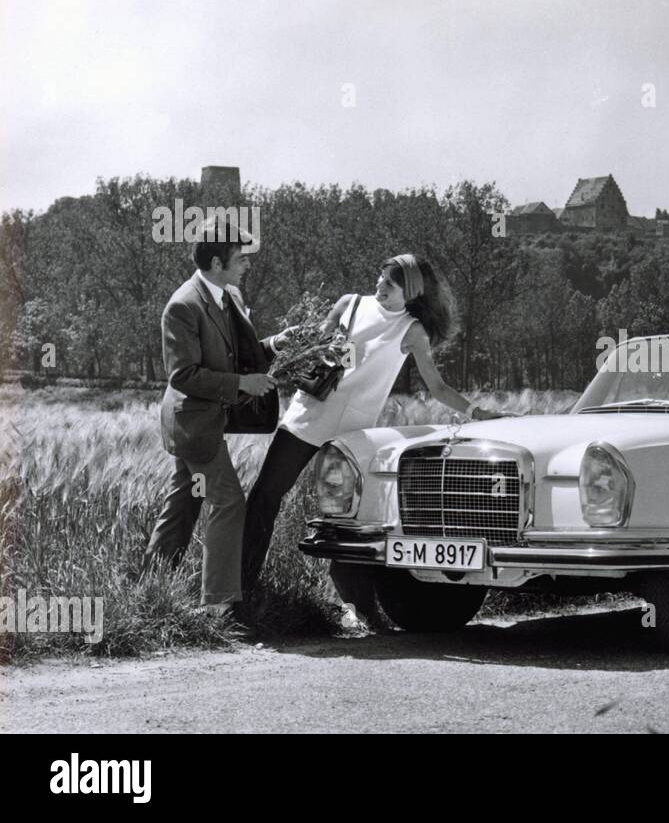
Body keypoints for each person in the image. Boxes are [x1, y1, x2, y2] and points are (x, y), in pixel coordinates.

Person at [240, 253, 506, 626]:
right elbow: (315, 346)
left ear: (410, 292)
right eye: (379, 279)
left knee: (353, 520)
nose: (379, 287)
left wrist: (478, 414)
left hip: (353, 434)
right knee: (265, 497)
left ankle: (360, 607)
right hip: (307, 416)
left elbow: (437, 387)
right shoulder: (349, 304)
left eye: (390, 284)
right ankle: (242, 590)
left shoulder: (412, 330)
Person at [142, 217, 289, 621]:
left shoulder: (227, 296)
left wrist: (275, 344)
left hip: (204, 421)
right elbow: (183, 375)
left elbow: (233, 352)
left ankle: (150, 590)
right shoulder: (183, 306)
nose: (247, 264)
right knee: (229, 502)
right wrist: (242, 383)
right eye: (239, 258)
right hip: (193, 424)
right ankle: (218, 605)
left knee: (183, 502)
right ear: (216, 262)